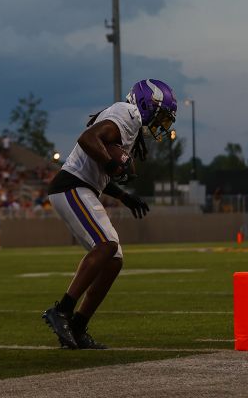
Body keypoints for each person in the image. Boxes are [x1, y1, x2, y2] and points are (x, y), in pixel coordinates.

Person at [41, 79, 166, 350]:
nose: (162, 124)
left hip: (83, 187)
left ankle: (77, 325)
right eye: (161, 116)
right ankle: (61, 310)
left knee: (114, 260)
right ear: (147, 105)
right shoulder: (126, 113)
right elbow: (87, 140)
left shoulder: (129, 128)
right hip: (70, 186)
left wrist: (123, 196)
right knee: (106, 244)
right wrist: (113, 163)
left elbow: (98, 172)